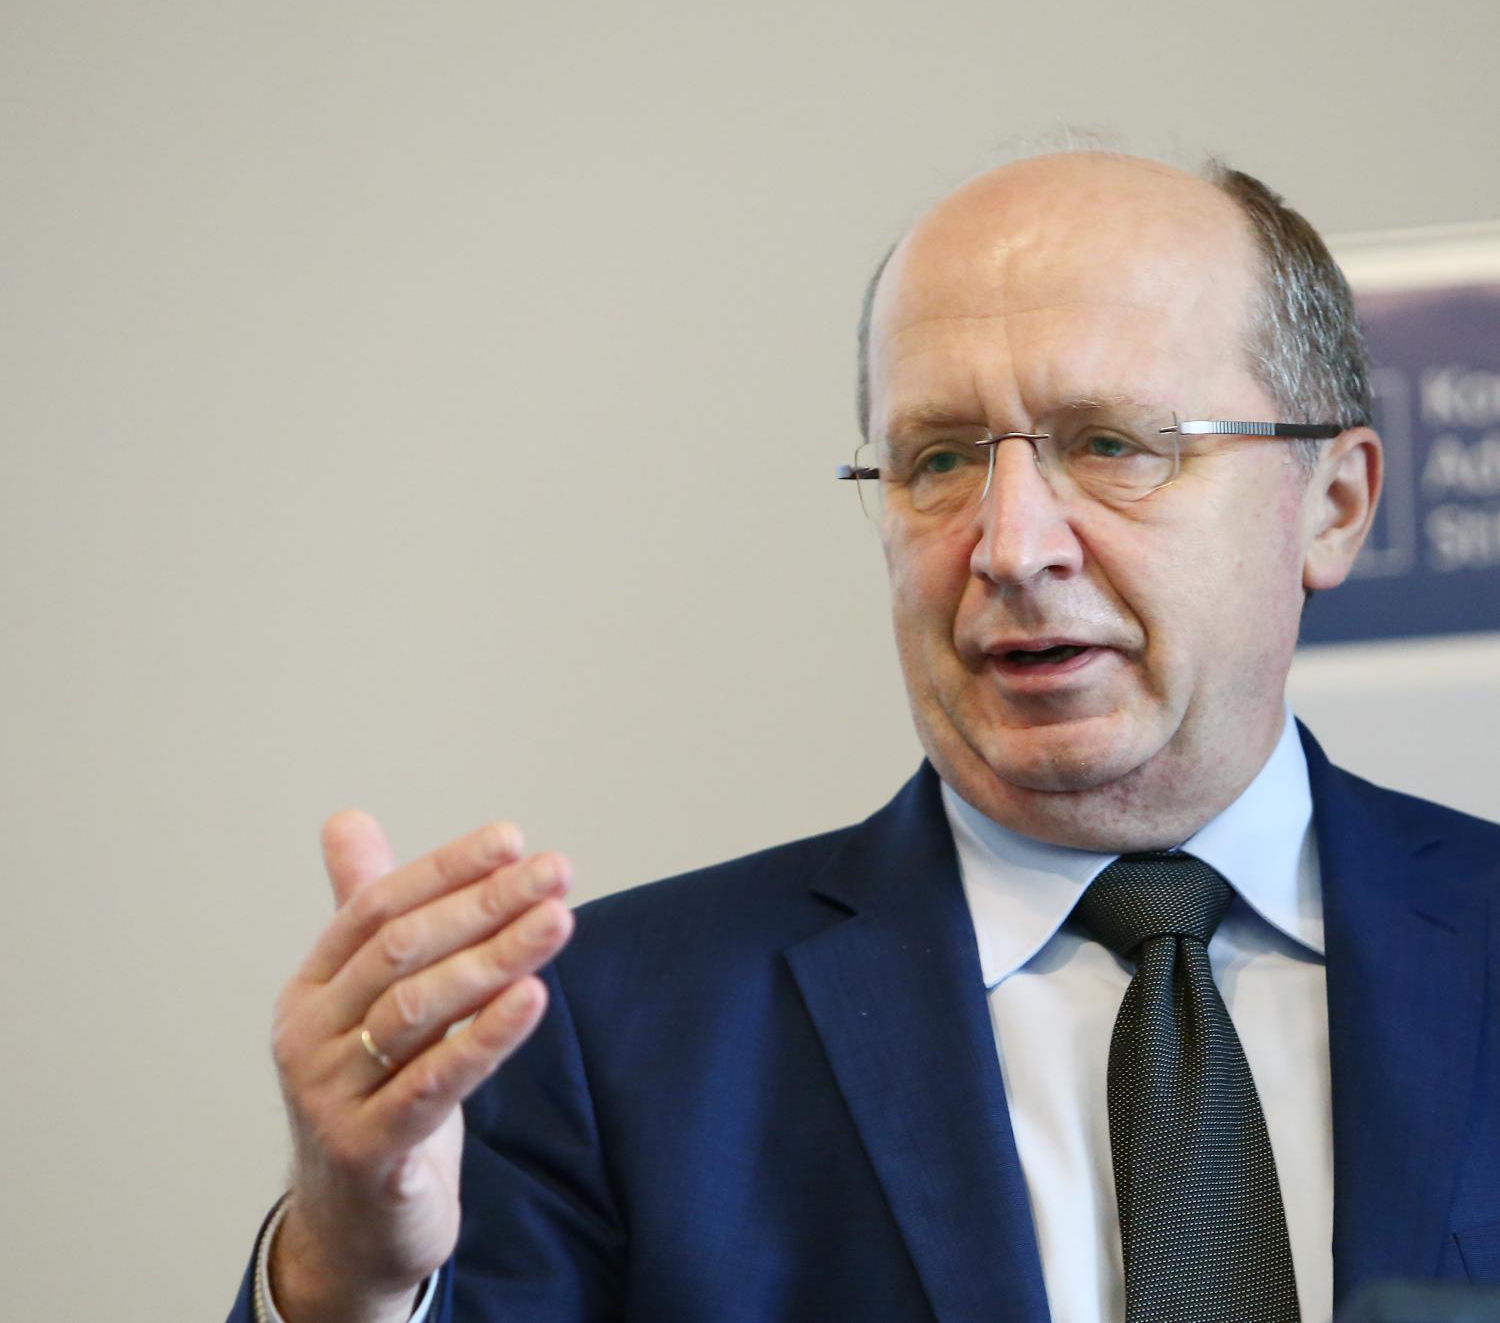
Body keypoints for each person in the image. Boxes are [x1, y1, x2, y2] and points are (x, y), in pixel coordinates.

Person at [228, 150, 1500, 1323]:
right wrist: (349, 1275)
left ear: (1333, 506)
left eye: (1111, 444)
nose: (1012, 547)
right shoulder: (602, 1036)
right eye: (938, 461)